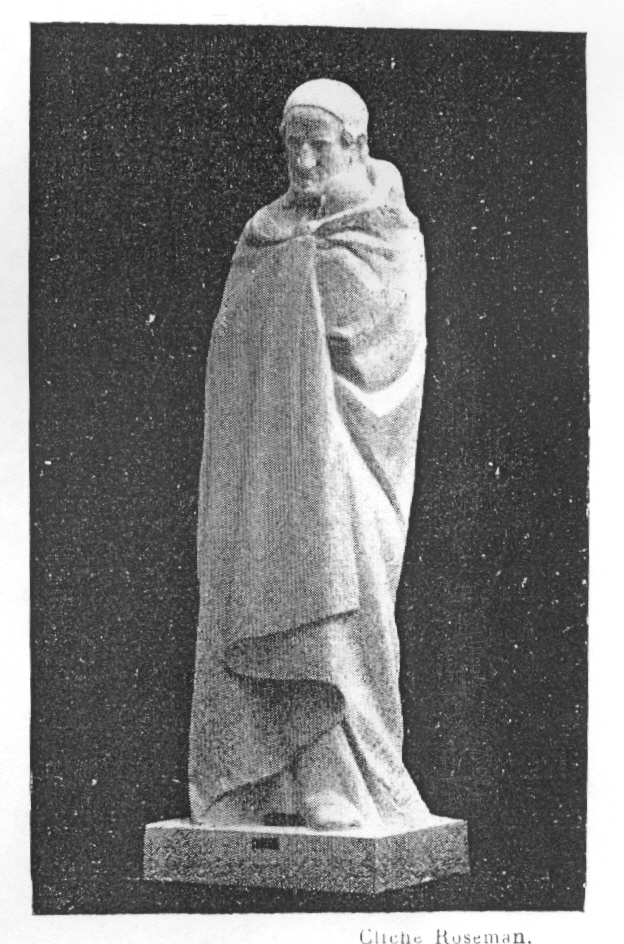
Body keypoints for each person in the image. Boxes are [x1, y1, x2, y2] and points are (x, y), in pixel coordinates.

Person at [189, 79, 432, 831]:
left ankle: (343, 781)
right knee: (264, 581)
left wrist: (305, 286)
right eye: (291, 143)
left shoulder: (384, 228)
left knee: (339, 592)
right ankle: (269, 780)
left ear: (354, 145)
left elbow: (382, 337)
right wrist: (288, 286)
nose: (301, 160)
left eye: (317, 144)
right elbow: (233, 342)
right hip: (272, 454)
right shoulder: (265, 231)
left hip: (348, 448)